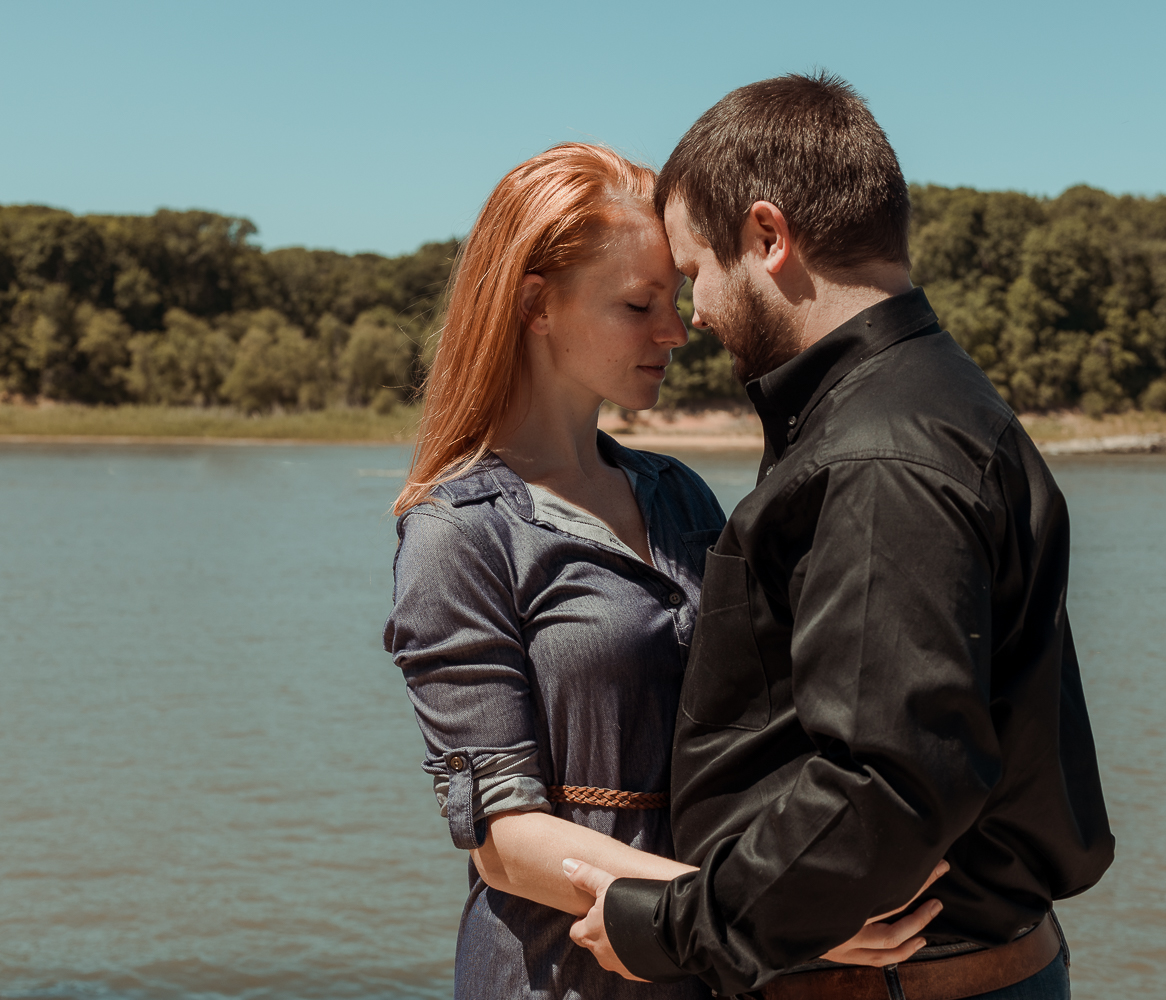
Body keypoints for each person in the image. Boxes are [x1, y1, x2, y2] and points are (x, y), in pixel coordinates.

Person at [564, 75, 1115, 1000]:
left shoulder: (876, 457)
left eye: (698, 272)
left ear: (769, 238)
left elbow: (889, 783)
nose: (693, 317)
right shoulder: (930, 405)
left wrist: (673, 928)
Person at [383, 143, 940, 1000]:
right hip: (560, 974)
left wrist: (804, 890)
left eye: (675, 299)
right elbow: (504, 842)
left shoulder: (680, 496)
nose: (676, 331)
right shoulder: (459, 531)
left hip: (715, 967)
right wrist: (769, 916)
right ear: (536, 303)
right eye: (640, 304)